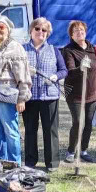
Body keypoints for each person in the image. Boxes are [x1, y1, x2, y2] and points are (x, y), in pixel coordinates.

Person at [0, 14, 32, 176]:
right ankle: (1, 163)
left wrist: (22, 98)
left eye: (1, 27)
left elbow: (23, 76)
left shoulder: (15, 48)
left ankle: (15, 165)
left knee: (11, 131)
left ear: (8, 29)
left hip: (6, 97)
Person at [23, 17, 67, 171]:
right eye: (37, 29)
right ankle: (30, 161)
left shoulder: (54, 50)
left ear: (48, 33)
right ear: (31, 31)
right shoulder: (22, 50)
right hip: (29, 97)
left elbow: (63, 70)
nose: (40, 32)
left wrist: (56, 76)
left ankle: (52, 162)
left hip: (50, 96)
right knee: (30, 130)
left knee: (50, 130)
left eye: (44, 30)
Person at [62, 20, 96, 163]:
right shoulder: (68, 50)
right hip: (75, 93)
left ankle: (83, 149)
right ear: (71, 35)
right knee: (78, 122)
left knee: (88, 123)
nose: (79, 32)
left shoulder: (92, 48)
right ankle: (71, 150)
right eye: (75, 31)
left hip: (92, 92)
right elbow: (69, 72)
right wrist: (80, 69)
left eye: (81, 30)